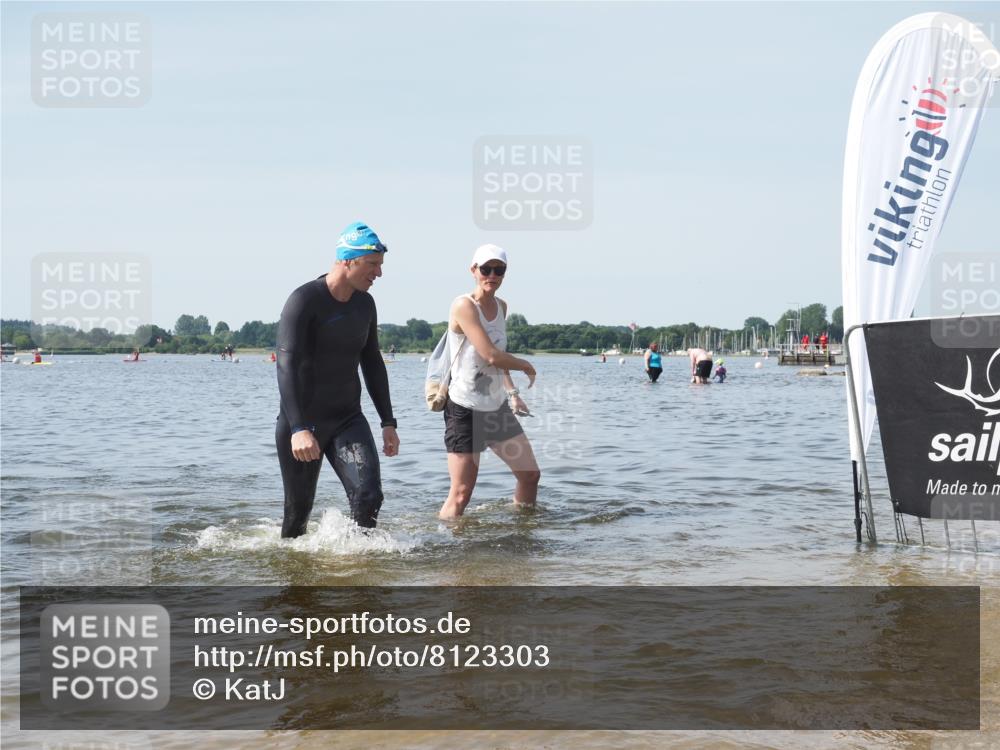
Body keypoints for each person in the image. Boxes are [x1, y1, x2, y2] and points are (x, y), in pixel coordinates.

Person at [275, 221, 399, 538]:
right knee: (297, 515)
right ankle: (296, 579)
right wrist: (298, 428)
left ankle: (358, 572)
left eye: (380, 265)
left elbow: (372, 362)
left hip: (348, 418)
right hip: (304, 421)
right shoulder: (304, 301)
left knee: (369, 498)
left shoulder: (365, 304)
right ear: (347, 260)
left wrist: (388, 421)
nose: (379, 274)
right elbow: (286, 366)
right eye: (372, 264)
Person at [439, 244, 539, 520]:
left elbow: (498, 356)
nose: (492, 275)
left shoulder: (501, 306)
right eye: (486, 269)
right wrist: (526, 365)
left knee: (530, 475)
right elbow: (491, 355)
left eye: (499, 270)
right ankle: (449, 552)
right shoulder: (463, 306)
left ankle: (524, 535)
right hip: (465, 408)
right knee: (461, 494)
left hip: (496, 408)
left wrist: (513, 393)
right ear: (473, 270)